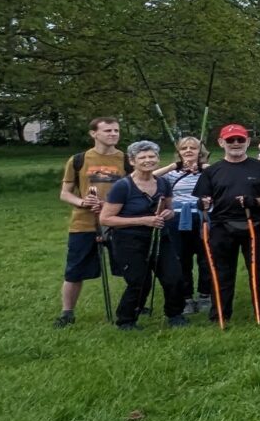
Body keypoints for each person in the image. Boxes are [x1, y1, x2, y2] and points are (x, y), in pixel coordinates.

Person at [198, 123, 260, 324]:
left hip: (254, 224)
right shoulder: (212, 171)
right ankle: (220, 313)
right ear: (221, 143)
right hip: (221, 226)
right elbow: (203, 198)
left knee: (258, 271)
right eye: (230, 140)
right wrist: (202, 203)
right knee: (222, 272)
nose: (235, 143)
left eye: (240, 139)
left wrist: (256, 202)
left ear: (247, 142)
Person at [98, 140, 182, 328]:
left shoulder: (162, 183)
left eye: (152, 156)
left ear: (158, 159)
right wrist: (143, 220)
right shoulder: (123, 186)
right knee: (139, 281)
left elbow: (170, 209)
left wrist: (169, 214)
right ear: (132, 161)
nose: (148, 160)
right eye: (142, 157)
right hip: (130, 240)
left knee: (173, 277)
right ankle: (126, 320)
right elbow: (106, 219)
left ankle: (175, 315)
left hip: (160, 238)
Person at [56, 116, 127, 326]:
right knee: (74, 271)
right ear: (93, 133)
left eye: (116, 130)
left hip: (116, 221)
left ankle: (135, 305)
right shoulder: (78, 160)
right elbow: (65, 193)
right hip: (84, 224)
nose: (113, 134)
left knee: (129, 267)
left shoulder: (126, 159)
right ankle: (67, 313)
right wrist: (82, 202)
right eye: (108, 131)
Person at [162, 135, 212, 313]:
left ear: (200, 151)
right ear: (179, 152)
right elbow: (149, 177)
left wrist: (202, 167)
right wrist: (173, 166)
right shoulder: (171, 173)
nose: (189, 151)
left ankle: (205, 295)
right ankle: (186, 297)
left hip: (202, 217)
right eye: (184, 148)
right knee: (181, 259)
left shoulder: (207, 171)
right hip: (177, 220)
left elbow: (221, 174)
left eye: (193, 148)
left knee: (205, 259)